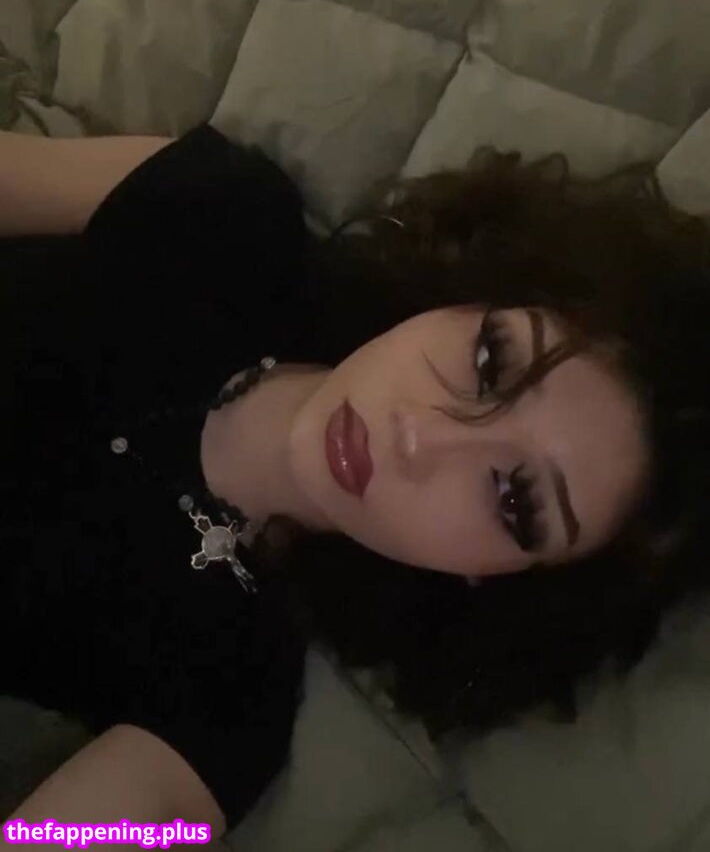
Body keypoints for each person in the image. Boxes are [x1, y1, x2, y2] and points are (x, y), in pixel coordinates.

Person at [2, 124, 710, 838]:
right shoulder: (230, 213)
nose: (421, 439)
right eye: (491, 361)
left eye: (515, 501)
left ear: (496, 580)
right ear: (468, 294)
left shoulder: (226, 698)